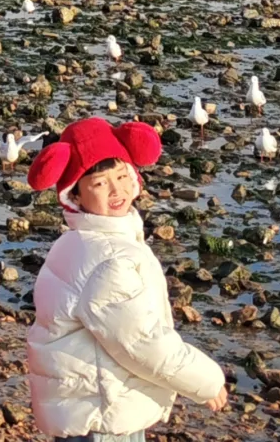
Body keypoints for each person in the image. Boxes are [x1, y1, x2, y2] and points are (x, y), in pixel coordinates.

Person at [26, 117, 226, 442]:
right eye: (101, 183)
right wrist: (206, 381)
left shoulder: (78, 242)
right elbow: (140, 343)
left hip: (87, 404)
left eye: (121, 175)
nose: (117, 190)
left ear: (134, 177)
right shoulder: (110, 259)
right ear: (74, 195)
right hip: (105, 413)